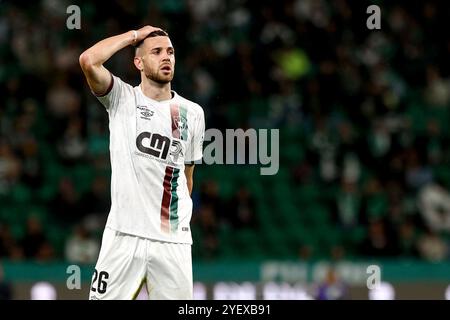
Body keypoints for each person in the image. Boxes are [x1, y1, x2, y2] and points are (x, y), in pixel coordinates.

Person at [79, 25, 205, 300]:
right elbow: (89, 60)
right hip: (124, 236)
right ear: (138, 61)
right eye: (157, 51)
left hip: (172, 243)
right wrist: (134, 36)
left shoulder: (193, 113)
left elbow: (188, 177)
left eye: (170, 52)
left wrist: (176, 224)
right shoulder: (122, 98)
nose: (166, 57)